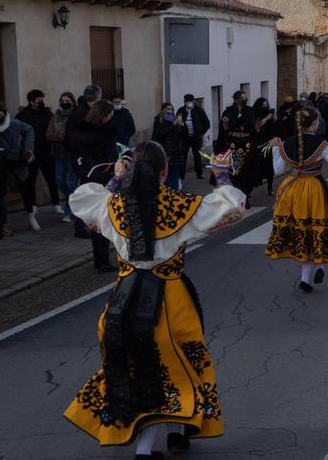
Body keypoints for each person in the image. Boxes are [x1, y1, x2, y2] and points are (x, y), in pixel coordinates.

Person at [64, 141, 246, 459]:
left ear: (131, 169)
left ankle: (174, 434)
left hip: (124, 299)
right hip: (171, 298)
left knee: (138, 365)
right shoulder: (181, 205)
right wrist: (220, 175)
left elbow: (82, 200)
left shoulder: (113, 206)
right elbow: (232, 206)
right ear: (164, 172)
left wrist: (116, 179)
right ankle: (148, 448)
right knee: (179, 364)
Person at [265, 107, 328, 292]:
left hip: (292, 190)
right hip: (313, 189)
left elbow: (278, 171)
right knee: (315, 231)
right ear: (314, 123)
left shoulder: (287, 144)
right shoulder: (323, 145)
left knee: (302, 232)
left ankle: (306, 278)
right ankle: (316, 268)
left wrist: (275, 150)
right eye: (317, 120)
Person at [74, 100, 119, 273]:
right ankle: (103, 261)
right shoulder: (106, 132)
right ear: (104, 116)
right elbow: (110, 155)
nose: (111, 117)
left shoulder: (81, 130)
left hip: (87, 175)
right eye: (110, 115)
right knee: (104, 219)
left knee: (95, 221)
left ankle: (99, 259)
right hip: (103, 177)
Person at [0, 103, 37, 234]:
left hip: (17, 158)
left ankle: (31, 216)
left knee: (25, 187)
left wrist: (28, 149)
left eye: (1, 115)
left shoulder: (14, 123)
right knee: (0, 192)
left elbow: (29, 130)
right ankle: (3, 223)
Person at [16, 89, 63, 219]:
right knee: (30, 179)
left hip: (47, 152)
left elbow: (56, 128)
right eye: (39, 101)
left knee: (51, 179)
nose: (42, 103)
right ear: (31, 101)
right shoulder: (22, 116)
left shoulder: (48, 114)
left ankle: (56, 203)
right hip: (31, 153)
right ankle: (33, 204)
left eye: (43, 100)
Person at [215, 91, 259, 207]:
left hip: (246, 146)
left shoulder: (249, 110)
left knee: (246, 173)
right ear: (236, 99)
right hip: (233, 146)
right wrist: (229, 125)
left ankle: (244, 197)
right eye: (242, 98)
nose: (245, 100)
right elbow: (226, 127)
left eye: (245, 98)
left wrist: (237, 124)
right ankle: (236, 199)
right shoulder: (228, 111)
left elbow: (250, 125)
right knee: (235, 173)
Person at [46, 92, 81, 225]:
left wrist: (66, 136)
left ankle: (69, 212)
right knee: (60, 182)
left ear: (72, 101)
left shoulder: (76, 115)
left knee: (72, 183)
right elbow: (49, 134)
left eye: (67, 100)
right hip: (58, 153)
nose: (65, 102)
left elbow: (76, 134)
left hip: (72, 154)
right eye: (62, 100)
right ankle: (74, 200)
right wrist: (62, 135)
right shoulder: (56, 115)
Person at [152, 103, 187, 190]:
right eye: (167, 110)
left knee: (174, 181)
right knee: (164, 181)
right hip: (163, 155)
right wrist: (173, 125)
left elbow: (184, 137)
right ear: (163, 111)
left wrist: (183, 126)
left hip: (175, 156)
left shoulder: (176, 121)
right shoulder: (159, 121)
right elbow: (161, 133)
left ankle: (174, 199)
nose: (170, 112)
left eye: (171, 110)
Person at [177, 94, 210, 180]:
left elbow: (207, 123)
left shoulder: (199, 110)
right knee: (183, 156)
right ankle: (181, 175)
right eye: (187, 101)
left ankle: (199, 173)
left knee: (197, 156)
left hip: (196, 137)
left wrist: (200, 133)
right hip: (184, 137)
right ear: (184, 101)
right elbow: (178, 123)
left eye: (190, 101)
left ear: (193, 101)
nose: (189, 103)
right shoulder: (181, 111)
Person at [252, 97, 281, 195]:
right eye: (263, 105)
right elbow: (257, 126)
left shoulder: (270, 115)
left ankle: (269, 188)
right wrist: (267, 118)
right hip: (258, 143)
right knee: (256, 166)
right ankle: (250, 188)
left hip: (268, 143)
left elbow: (274, 129)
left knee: (269, 168)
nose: (266, 107)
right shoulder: (255, 115)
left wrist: (275, 120)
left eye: (266, 104)